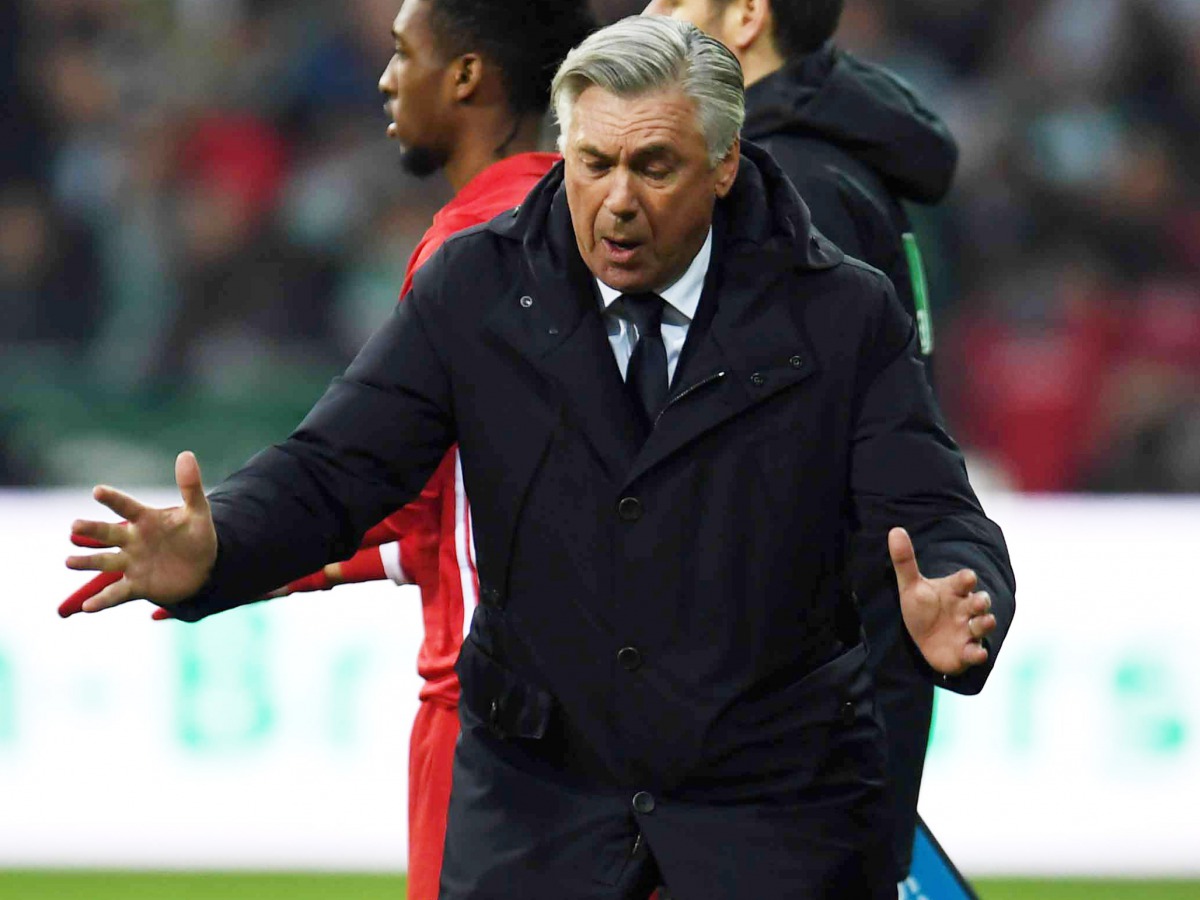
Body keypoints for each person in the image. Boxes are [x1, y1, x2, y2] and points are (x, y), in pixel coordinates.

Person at [66, 17, 1014, 899]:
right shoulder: (475, 285)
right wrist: (220, 543)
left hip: (769, 816)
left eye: (654, 165)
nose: (618, 202)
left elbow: (933, 510)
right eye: (593, 163)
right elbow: (340, 466)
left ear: (726, 164)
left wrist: (961, 591)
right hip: (541, 814)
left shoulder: (839, 311)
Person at [58, 2, 594, 899]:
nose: (386, 79)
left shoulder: (476, 245)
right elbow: (486, 491)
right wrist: (310, 555)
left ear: (465, 76)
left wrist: (235, 543)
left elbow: (366, 467)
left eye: (402, 54)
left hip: (490, 720)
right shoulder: (612, 233)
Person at [642, 0, 963, 884]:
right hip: (845, 662)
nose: (648, 10)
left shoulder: (789, 186)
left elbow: (774, 479)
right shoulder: (841, 163)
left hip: (790, 700)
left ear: (746, 16)